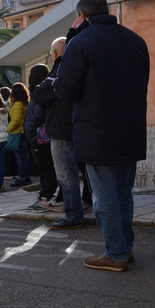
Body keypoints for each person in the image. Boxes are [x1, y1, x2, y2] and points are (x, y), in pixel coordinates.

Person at [53, 0, 150, 272]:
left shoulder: (81, 42)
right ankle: (125, 248)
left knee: (104, 195)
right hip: (130, 129)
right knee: (123, 194)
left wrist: (72, 37)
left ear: (83, 16)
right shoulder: (135, 40)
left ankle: (115, 254)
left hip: (97, 131)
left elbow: (67, 89)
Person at [34, 36, 86, 230]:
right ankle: (77, 211)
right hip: (74, 126)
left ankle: (73, 215)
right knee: (74, 172)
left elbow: (40, 94)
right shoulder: (76, 67)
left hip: (62, 129)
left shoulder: (60, 68)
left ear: (55, 54)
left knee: (66, 174)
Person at [25, 64, 58, 209]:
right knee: (45, 168)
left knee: (45, 168)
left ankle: (46, 195)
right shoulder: (39, 92)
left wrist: (30, 129)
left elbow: (39, 113)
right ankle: (46, 193)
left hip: (40, 137)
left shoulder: (40, 94)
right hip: (39, 136)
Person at [8, 82, 31, 187]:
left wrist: (8, 129)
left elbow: (16, 120)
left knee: (21, 157)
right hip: (23, 131)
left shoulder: (17, 104)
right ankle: (25, 176)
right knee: (24, 156)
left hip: (18, 132)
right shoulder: (25, 102)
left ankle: (22, 177)